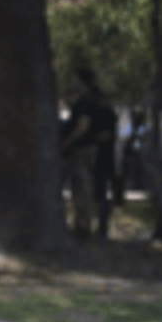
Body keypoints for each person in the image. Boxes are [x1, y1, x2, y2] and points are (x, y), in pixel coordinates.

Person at [60, 68, 102, 240]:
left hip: (82, 150)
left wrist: (67, 143)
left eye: (77, 81)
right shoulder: (88, 100)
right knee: (79, 189)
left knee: (81, 188)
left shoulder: (86, 102)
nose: (75, 84)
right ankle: (81, 225)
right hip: (83, 149)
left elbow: (82, 126)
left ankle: (83, 228)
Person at [91, 93, 119, 237]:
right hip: (107, 161)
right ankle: (102, 224)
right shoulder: (111, 118)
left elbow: (105, 137)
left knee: (101, 194)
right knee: (102, 194)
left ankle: (102, 225)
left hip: (103, 161)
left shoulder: (106, 120)